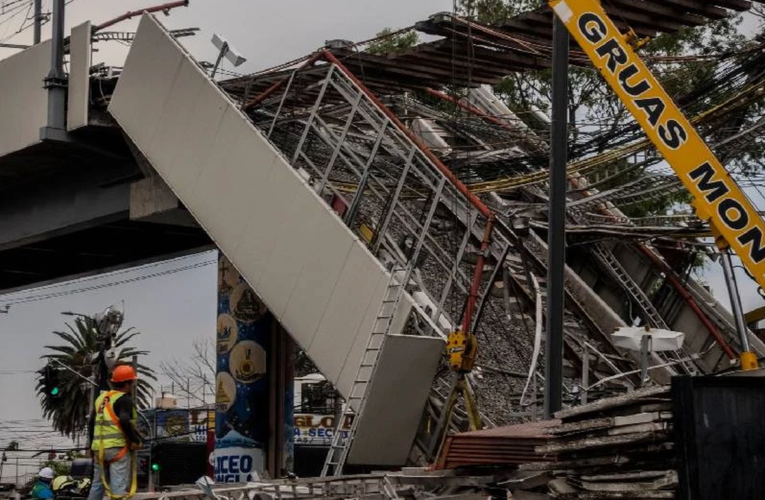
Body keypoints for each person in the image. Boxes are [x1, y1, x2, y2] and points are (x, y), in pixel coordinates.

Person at [87, 366, 143, 500]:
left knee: (97, 485)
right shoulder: (124, 399)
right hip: (117, 449)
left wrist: (91, 446)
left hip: (99, 449)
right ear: (127, 383)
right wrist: (135, 440)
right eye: (131, 382)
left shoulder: (100, 399)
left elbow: (91, 423)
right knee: (118, 487)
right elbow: (124, 420)